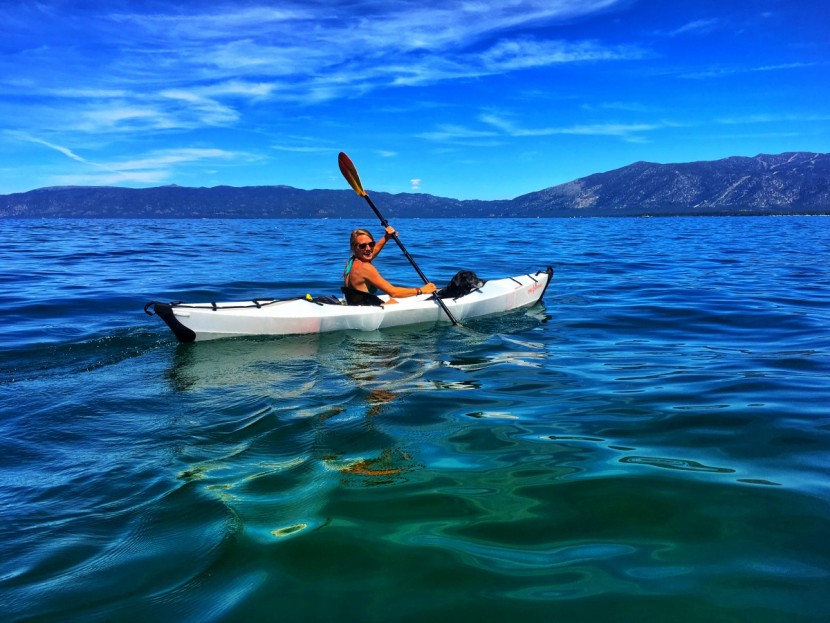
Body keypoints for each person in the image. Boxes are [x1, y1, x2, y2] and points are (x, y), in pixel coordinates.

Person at [343, 226, 436, 304]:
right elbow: (393, 292)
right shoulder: (365, 268)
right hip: (367, 311)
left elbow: (372, 252)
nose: (368, 248)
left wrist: (386, 237)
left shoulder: (350, 262)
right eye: (362, 246)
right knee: (394, 301)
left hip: (355, 305)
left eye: (371, 244)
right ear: (354, 248)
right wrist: (422, 290)